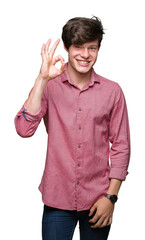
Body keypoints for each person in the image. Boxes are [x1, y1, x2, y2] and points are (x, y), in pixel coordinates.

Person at [14, 16, 131, 240]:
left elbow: (121, 146)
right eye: (78, 46)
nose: (85, 55)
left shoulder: (113, 91)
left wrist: (111, 198)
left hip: (98, 199)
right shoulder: (49, 86)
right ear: (67, 47)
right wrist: (41, 79)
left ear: (98, 49)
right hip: (57, 199)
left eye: (92, 48)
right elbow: (23, 129)